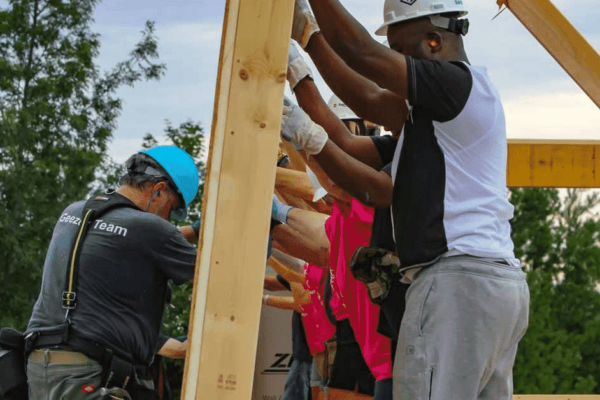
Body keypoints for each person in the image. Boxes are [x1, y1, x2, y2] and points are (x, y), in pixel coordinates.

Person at [284, 0, 530, 399]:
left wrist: (311, 30)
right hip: (491, 285)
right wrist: (300, 80)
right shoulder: (433, 124)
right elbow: (348, 139)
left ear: (434, 40)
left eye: (399, 50)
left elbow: (362, 57)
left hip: (456, 282)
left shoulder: (455, 85)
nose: (392, 64)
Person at [24, 145, 200, 400]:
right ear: (159, 190)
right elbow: (214, 277)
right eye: (172, 210)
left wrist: (192, 232)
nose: (169, 221)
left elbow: (128, 237)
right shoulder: (151, 229)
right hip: (87, 369)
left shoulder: (75, 211)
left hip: (42, 364)